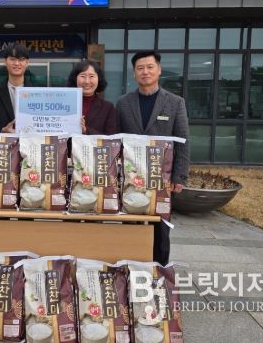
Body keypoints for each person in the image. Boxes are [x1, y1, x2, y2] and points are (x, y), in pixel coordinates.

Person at [116, 50, 189, 266]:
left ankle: (159, 271)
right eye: (140, 68)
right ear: (134, 73)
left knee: (160, 227)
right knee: (131, 223)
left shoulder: (175, 102)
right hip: (131, 177)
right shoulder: (123, 103)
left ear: (159, 70)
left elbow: (183, 141)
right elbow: (116, 140)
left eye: (150, 67)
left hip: (161, 178)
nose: (145, 72)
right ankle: (130, 268)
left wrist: (179, 176)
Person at [0, 43, 30, 133]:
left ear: (27, 63)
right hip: (2, 141)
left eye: (21, 59)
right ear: (5, 61)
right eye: (12, 59)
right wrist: (2, 129)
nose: (16, 63)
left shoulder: (37, 92)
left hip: (30, 141)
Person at [67, 60, 117, 135]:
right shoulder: (64, 105)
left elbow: (111, 138)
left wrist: (85, 130)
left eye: (91, 76)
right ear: (75, 78)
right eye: (83, 76)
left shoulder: (108, 108)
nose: (87, 81)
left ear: (99, 79)